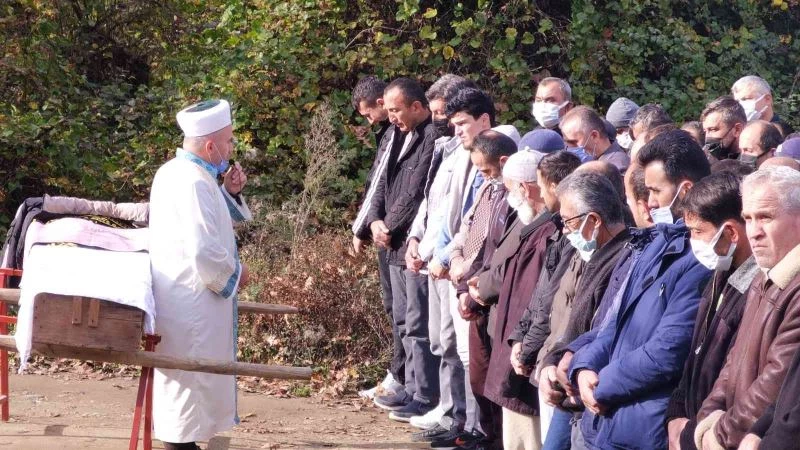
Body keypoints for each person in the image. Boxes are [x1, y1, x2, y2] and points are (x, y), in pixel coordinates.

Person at [566, 129, 712, 449]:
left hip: (645, 426)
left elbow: (668, 351)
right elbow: (615, 322)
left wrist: (602, 383)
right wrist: (584, 366)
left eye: (656, 191)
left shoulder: (701, 259)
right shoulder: (655, 242)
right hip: (609, 417)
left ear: (686, 189)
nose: (650, 202)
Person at [149, 99, 252, 450]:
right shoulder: (193, 180)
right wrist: (238, 274)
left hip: (181, 296)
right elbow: (203, 249)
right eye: (228, 141)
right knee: (190, 382)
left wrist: (230, 193)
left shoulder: (176, 172)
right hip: (192, 300)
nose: (231, 148)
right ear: (210, 146)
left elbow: (209, 220)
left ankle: (184, 442)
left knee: (188, 380)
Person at [423, 130, 519, 449]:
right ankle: (481, 431)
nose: (483, 175)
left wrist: (469, 280)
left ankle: (488, 435)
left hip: (485, 293)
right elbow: (466, 229)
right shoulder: (487, 189)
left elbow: (494, 250)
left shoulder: (512, 199)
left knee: (487, 373)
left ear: (503, 162)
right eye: (479, 169)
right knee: (476, 370)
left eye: (486, 169)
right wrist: (453, 258)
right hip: (465, 282)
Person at [694, 167, 800, 449]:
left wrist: (720, 435)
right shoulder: (762, 276)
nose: (754, 232)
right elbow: (733, 360)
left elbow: (775, 382)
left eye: (766, 217)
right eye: (748, 218)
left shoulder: (794, 289)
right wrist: (708, 418)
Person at [536, 172, 633, 450]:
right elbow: (573, 323)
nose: (565, 231)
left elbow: (602, 331)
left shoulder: (625, 260)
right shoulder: (594, 255)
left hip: (591, 392)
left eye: (568, 221)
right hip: (569, 386)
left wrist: (571, 363)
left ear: (593, 220)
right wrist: (550, 362)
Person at [664, 172, 759, 450]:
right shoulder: (719, 273)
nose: (692, 241)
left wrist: (695, 430)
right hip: (691, 427)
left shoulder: (756, 291)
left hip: (713, 434)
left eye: (698, 231)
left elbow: (733, 379)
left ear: (730, 233)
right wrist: (676, 412)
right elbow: (696, 352)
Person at [367, 78, 438, 417]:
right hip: (390, 240)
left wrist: (389, 227)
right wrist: (374, 221)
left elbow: (416, 190)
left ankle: (423, 393)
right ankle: (409, 385)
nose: (390, 116)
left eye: (396, 110)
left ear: (417, 106)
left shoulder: (432, 136)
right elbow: (381, 182)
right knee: (400, 318)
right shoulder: (396, 133)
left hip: (410, 242)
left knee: (416, 322)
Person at [479, 149, 558, 450]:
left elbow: (536, 298)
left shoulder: (546, 231)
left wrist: (522, 345)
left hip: (524, 356)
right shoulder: (531, 224)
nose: (509, 198)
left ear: (525, 188)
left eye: (511, 189)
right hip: (513, 346)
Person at [401, 74, 468, 428]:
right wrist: (414, 240)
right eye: (437, 113)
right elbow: (429, 204)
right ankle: (447, 407)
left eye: (443, 114)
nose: (438, 120)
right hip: (430, 256)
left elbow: (461, 216)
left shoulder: (469, 154)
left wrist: (443, 255)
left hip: (451, 261)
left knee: (455, 345)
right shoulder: (444, 149)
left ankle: (458, 415)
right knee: (439, 339)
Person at [506, 150, 581, 448]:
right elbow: (541, 291)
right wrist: (519, 337)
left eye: (540, 184)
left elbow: (554, 303)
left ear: (553, 186)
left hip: (556, 357)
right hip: (543, 353)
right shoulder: (558, 228)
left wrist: (528, 349)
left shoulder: (573, 236)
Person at [349, 76, 406, 400]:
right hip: (383, 230)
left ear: (381, 103)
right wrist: (366, 224)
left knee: (402, 311)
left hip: (394, 235)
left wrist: (363, 227)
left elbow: (380, 183)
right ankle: (399, 374)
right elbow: (377, 183)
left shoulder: (398, 133)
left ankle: (402, 378)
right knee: (394, 308)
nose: (370, 121)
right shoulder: (388, 133)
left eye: (369, 114)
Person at [560, 106, 630, 173]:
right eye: (567, 144)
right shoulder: (596, 159)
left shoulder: (615, 167)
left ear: (594, 136)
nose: (570, 148)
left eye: (573, 142)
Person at [701, 96, 746, 163]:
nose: (707, 136)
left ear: (737, 129)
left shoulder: (754, 161)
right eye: (705, 131)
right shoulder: (704, 158)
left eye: (713, 129)